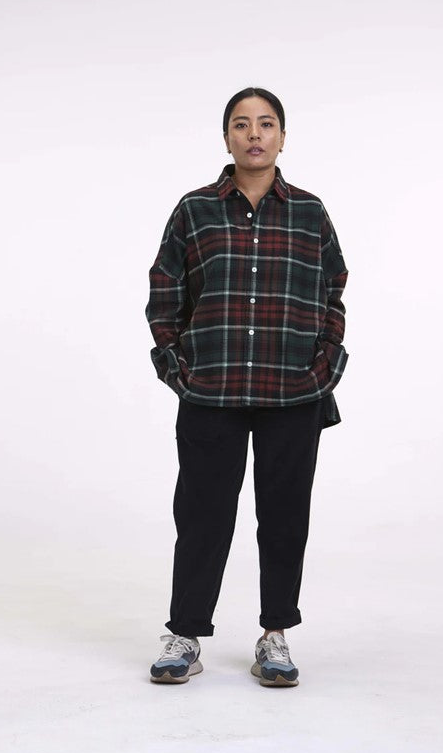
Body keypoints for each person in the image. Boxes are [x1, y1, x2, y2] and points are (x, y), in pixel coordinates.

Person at [144, 87, 349, 688]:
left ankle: (275, 635)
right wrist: (177, 369)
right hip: (212, 390)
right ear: (227, 137)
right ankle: (185, 634)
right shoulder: (194, 210)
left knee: (284, 517)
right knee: (202, 515)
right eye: (241, 124)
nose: (254, 134)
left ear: (283, 136)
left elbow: (334, 293)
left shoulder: (310, 212)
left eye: (265, 123)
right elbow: (164, 292)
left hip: (293, 393)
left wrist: (324, 368)